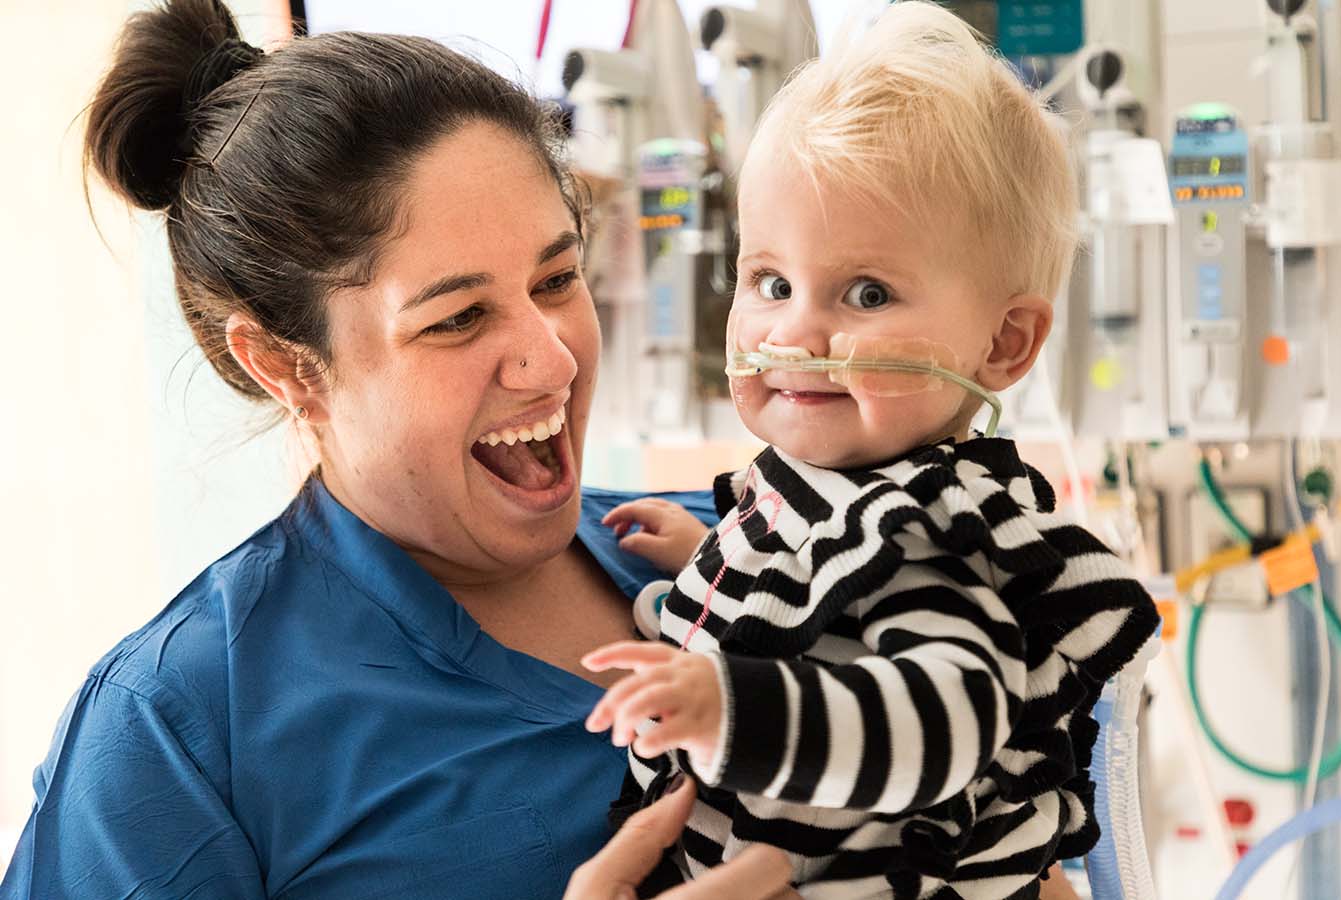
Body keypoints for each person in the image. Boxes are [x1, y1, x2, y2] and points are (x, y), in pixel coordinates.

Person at [0, 2, 800, 898]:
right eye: (457, 318)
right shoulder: (177, 734)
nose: (553, 357)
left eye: (556, 277)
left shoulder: (755, 553)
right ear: (285, 366)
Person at [579, 4, 1160, 898]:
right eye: (770, 281)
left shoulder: (930, 528)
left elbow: (943, 720)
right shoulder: (818, 491)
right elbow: (831, 609)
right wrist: (717, 562)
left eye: (867, 292)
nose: (796, 330)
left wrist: (726, 704)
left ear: (1002, 345)